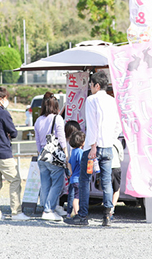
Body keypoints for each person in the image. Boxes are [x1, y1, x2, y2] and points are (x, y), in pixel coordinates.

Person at [65, 70, 121, 227]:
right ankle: (107, 216)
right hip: (108, 147)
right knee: (106, 182)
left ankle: (82, 216)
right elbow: (117, 125)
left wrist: (93, 147)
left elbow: (92, 124)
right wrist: (109, 140)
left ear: (97, 85)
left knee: (84, 180)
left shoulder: (91, 100)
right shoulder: (112, 101)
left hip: (92, 149)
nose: (90, 88)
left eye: (90, 85)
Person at [0, 86, 29, 221]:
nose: (7, 100)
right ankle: (16, 212)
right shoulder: (3, 113)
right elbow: (13, 132)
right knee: (15, 180)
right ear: (0, 99)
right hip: (3, 152)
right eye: (5, 98)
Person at [34, 92, 68, 221]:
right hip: (54, 156)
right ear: (55, 105)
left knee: (45, 184)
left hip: (42, 156)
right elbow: (61, 138)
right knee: (57, 184)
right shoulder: (57, 118)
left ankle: (45, 208)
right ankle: (48, 210)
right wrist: (66, 153)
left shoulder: (38, 120)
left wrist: (40, 153)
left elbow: (37, 141)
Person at [66, 130, 85, 218]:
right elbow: (82, 164)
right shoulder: (80, 152)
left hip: (73, 178)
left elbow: (69, 163)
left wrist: (71, 172)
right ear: (82, 142)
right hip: (78, 178)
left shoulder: (73, 152)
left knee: (75, 195)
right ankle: (77, 213)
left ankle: (73, 212)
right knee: (77, 197)